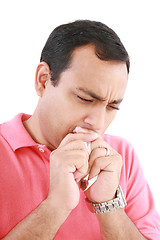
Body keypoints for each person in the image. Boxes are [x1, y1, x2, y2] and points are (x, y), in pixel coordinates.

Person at [0, 20, 160, 240]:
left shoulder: (123, 156)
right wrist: (55, 207)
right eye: (85, 98)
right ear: (43, 80)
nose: (98, 122)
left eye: (112, 106)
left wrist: (109, 205)